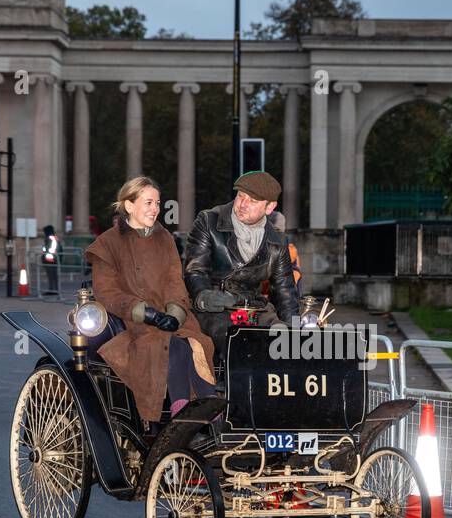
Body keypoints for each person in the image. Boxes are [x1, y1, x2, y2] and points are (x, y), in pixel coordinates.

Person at [85, 176, 217, 423]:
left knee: (197, 344)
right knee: (174, 347)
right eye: (148, 202)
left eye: (157, 203)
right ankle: (183, 412)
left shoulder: (164, 238)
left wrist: (175, 313)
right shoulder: (107, 243)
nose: (155, 209)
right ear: (129, 205)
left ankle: (209, 409)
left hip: (174, 319)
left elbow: (174, 281)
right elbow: (107, 292)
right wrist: (147, 313)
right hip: (135, 324)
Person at [184, 170, 300, 353]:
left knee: (281, 341)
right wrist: (203, 296)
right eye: (240, 196)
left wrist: (294, 332)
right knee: (237, 343)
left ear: (269, 208)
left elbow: (285, 291)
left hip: (253, 306)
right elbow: (195, 270)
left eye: (253, 201)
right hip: (213, 308)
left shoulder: (277, 242)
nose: (243, 204)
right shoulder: (209, 221)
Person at [41, 224, 59, 295]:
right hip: (51, 258)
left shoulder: (50, 238)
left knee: (52, 275)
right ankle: (53, 289)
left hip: (50, 259)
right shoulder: (53, 238)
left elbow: (50, 249)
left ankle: (53, 289)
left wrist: (45, 251)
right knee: (53, 275)